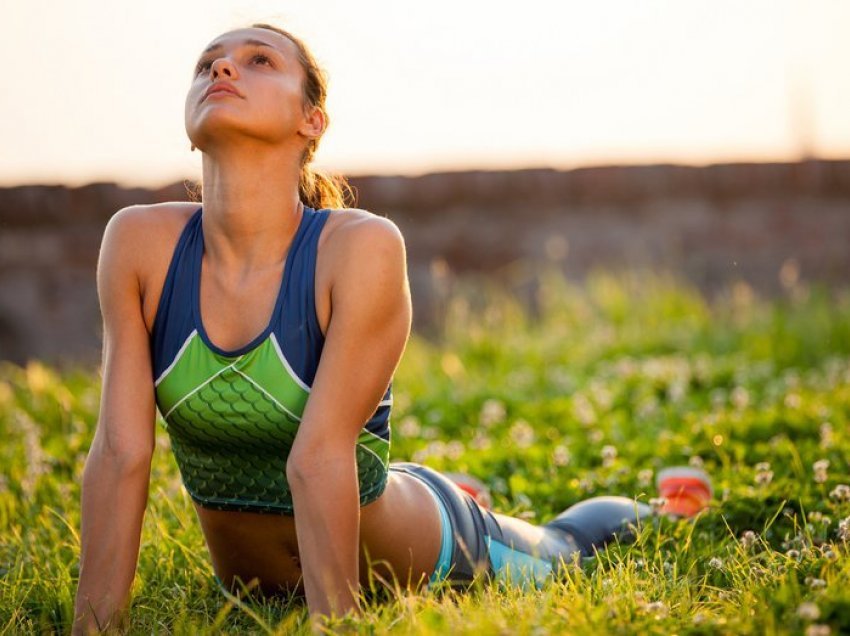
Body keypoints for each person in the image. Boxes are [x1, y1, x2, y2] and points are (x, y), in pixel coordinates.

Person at [72, 22, 712, 634]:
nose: (222, 65)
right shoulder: (138, 244)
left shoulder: (359, 248)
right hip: (251, 590)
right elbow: (121, 454)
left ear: (310, 121)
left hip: (417, 556)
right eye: (207, 62)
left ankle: (663, 509)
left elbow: (319, 458)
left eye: (260, 59)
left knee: (563, 548)